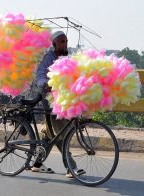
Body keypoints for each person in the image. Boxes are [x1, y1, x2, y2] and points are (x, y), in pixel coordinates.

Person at [31, 31, 85, 178]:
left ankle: (36, 163)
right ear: (54, 43)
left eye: (66, 41)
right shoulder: (49, 57)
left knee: (49, 134)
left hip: (63, 100)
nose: (65, 44)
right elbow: (40, 76)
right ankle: (70, 167)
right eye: (62, 41)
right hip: (51, 101)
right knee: (61, 133)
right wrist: (48, 84)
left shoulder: (66, 57)